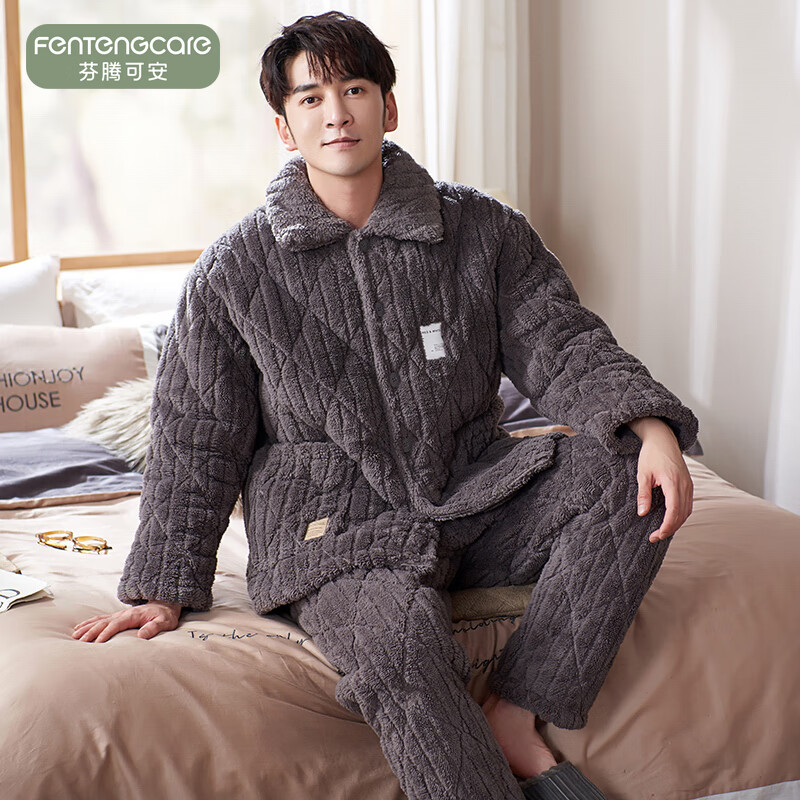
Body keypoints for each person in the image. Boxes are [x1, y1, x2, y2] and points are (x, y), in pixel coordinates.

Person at [72, 10, 698, 800]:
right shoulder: (234, 271)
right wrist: (164, 585)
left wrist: (649, 425)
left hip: (471, 493)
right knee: (402, 651)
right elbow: (197, 436)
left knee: (631, 474)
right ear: (284, 127)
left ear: (388, 107)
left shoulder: (482, 230)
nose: (336, 112)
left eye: (355, 89)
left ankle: (518, 712)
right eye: (310, 98)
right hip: (331, 532)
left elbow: (562, 341)